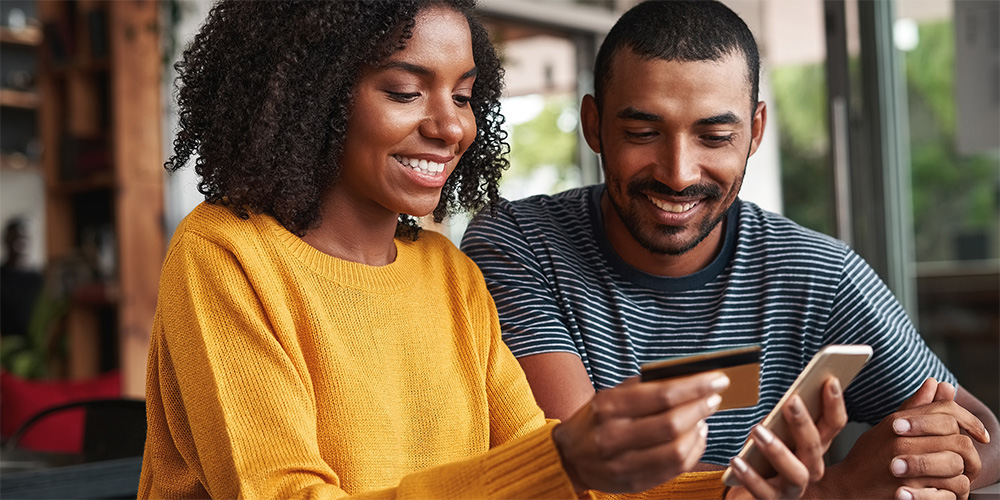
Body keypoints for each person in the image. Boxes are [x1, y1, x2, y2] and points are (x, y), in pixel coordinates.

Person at [138, 1, 841, 499]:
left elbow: (553, 479)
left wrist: (733, 490)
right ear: (313, 95)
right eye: (407, 91)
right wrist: (562, 458)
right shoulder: (225, 256)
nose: (449, 126)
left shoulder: (449, 275)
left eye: (467, 96)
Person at [460, 1, 999, 499]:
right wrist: (835, 491)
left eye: (714, 137)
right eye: (644, 132)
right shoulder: (519, 245)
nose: (678, 173)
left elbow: (984, 435)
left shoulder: (817, 274)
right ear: (594, 125)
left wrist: (918, 456)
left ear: (755, 130)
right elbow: (586, 479)